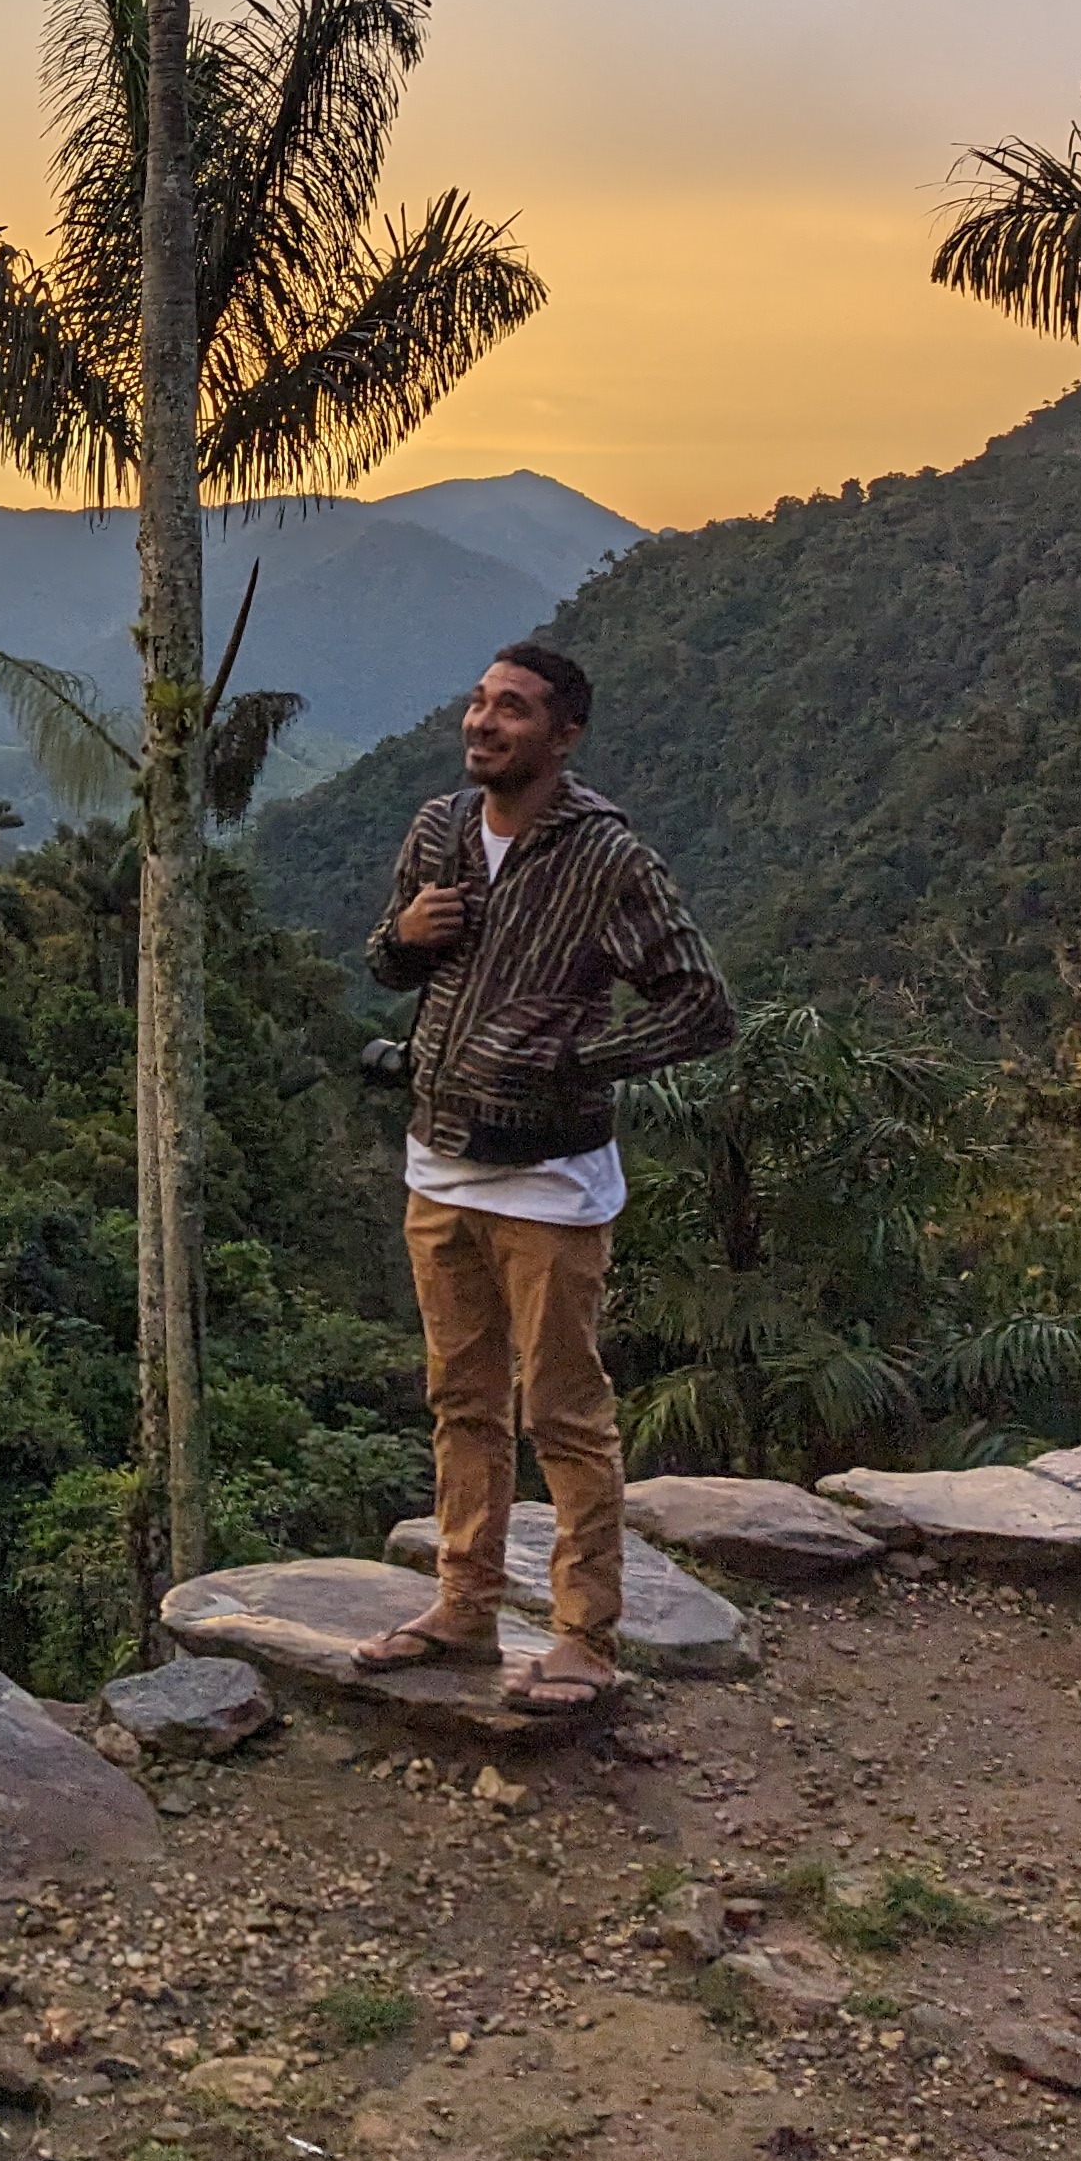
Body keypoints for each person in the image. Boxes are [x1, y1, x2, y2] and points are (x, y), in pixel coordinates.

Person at [357, 640, 731, 1708]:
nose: (483, 722)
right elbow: (389, 966)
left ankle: (583, 1637)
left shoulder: (609, 858)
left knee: (562, 1414)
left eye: (512, 709)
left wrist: (574, 1060)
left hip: (551, 1183)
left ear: (562, 735)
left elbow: (700, 1006)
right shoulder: (437, 830)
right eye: (478, 702)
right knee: (459, 1401)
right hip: (439, 1166)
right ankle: (463, 1607)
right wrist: (404, 933)